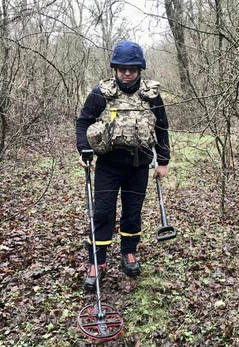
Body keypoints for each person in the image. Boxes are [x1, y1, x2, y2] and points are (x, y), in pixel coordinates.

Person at [75, 41, 170, 291]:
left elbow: (162, 128)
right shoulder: (101, 93)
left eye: (132, 68)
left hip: (138, 165)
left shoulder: (151, 95)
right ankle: (98, 261)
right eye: (121, 68)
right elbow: (83, 122)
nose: (127, 73)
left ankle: (129, 253)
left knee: (132, 212)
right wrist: (84, 150)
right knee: (103, 212)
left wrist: (163, 161)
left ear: (140, 69)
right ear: (115, 68)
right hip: (108, 165)